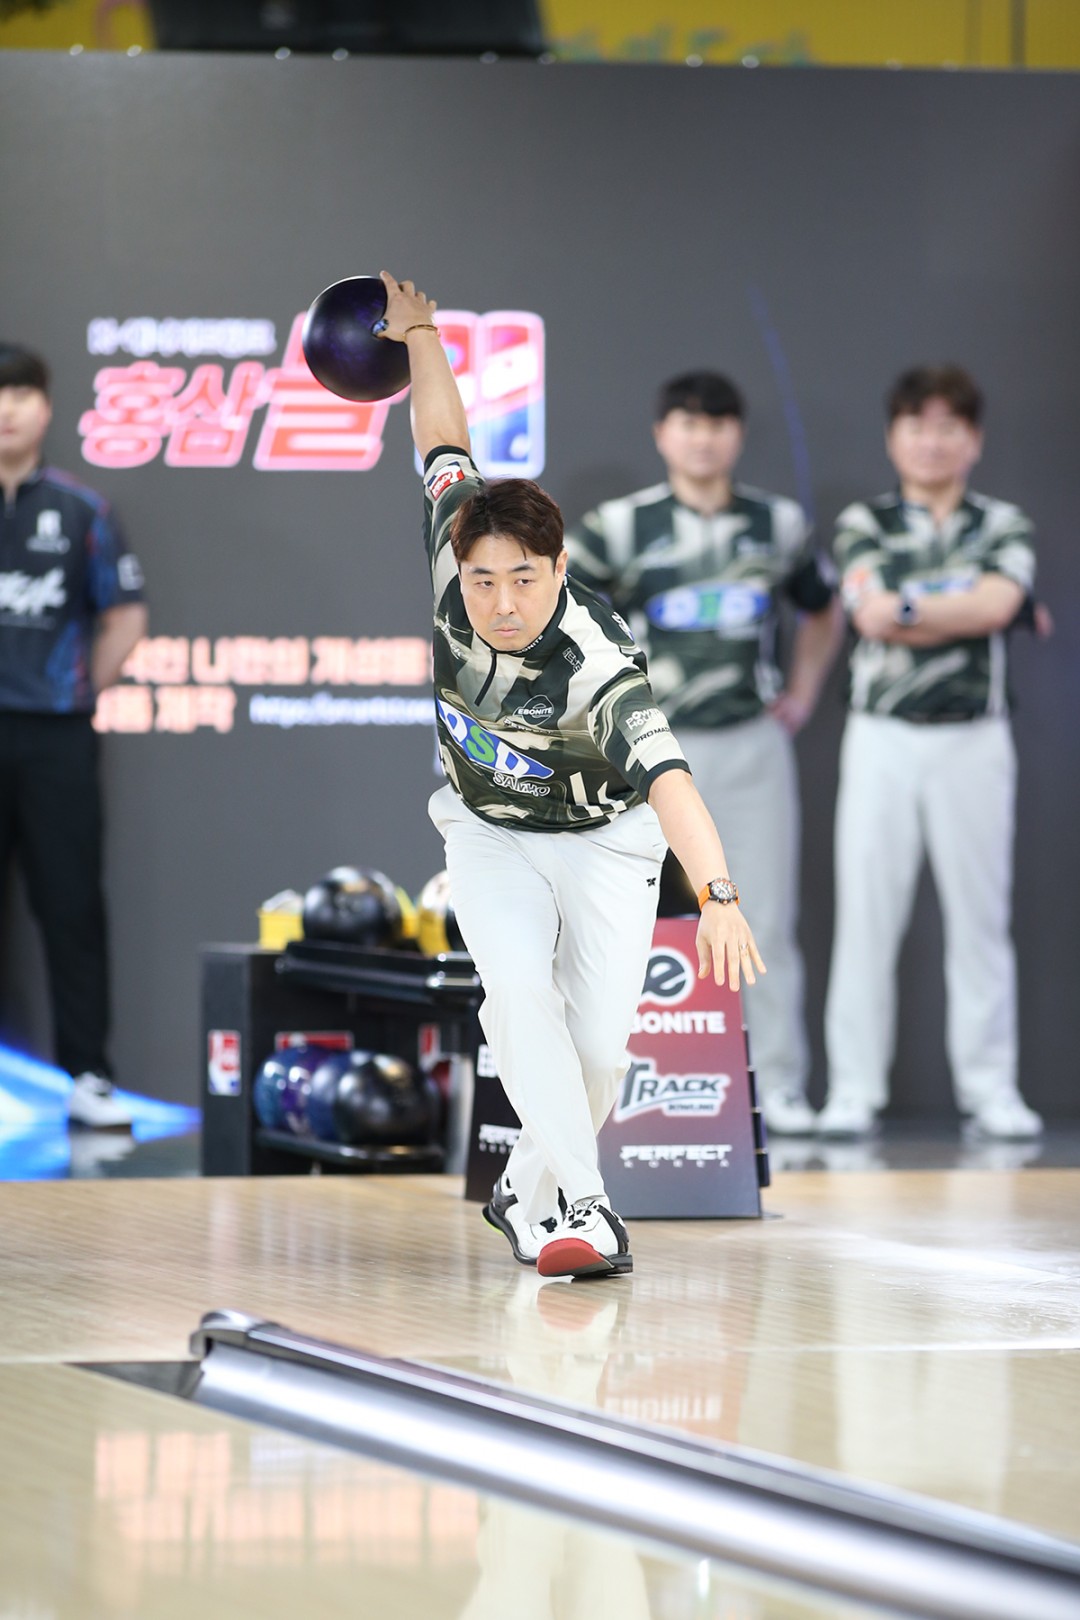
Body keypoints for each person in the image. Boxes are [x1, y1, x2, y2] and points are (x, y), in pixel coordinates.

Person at [375, 275, 764, 1279]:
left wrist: (717, 896)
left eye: (524, 580)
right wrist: (421, 336)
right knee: (515, 992)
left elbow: (671, 783)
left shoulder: (599, 666)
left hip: (606, 839)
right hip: (489, 831)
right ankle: (587, 1205)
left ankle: (525, 1186)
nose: (501, 603)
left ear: (558, 569)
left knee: (598, 1051)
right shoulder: (455, 544)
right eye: (484, 580)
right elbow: (442, 439)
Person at [565, 373, 843, 1136]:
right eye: (688, 422)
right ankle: (618, 1084)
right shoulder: (621, 526)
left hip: (751, 745)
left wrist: (803, 692)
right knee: (624, 920)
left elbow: (823, 608)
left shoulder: (777, 524)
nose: (703, 437)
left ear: (738, 434)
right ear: (663, 434)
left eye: (718, 423)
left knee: (763, 918)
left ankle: (777, 1088)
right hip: (649, 750)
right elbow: (555, 604)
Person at [819, 364, 1041, 1140]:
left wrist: (912, 604)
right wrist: (954, 605)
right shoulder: (865, 522)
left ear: (973, 440)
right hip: (881, 736)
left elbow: (999, 604)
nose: (933, 442)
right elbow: (870, 616)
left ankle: (992, 1091)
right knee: (865, 918)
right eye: (918, 426)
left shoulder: (1003, 523)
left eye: (950, 427)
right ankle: (852, 1091)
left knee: (981, 921)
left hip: (974, 737)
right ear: (894, 437)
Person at [0, 343, 148, 1129]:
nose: (7, 408)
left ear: (46, 406)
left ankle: (89, 1076)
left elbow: (124, 614)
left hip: (56, 736)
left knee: (71, 905)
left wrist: (79, 688)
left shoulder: (82, 510)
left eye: (21, 392)